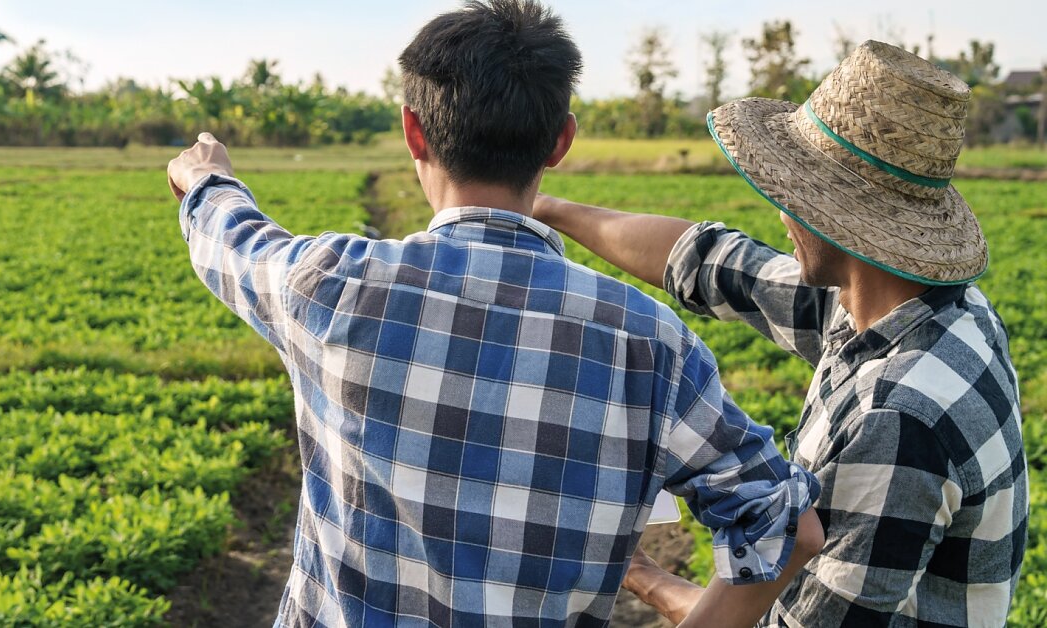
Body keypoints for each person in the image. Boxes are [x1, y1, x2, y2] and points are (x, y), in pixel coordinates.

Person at [165, 1, 822, 625]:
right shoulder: (647, 341)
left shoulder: (333, 285)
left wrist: (208, 180)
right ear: (560, 141)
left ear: (412, 132)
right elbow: (788, 528)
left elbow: (236, 243)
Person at [534, 41, 1026, 627]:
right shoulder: (926, 308)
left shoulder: (897, 422)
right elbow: (712, 261)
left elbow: (788, 623)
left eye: (794, 195)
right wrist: (548, 208)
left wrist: (646, 578)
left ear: (843, 221)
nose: (781, 213)